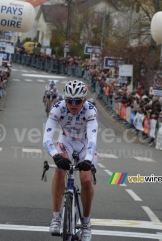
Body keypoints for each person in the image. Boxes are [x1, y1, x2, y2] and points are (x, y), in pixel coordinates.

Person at [43, 80, 98, 241]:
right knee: (59, 170)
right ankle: (56, 217)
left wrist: (88, 159)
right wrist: (55, 155)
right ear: (64, 99)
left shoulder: (90, 111)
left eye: (78, 101)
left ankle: (86, 223)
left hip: (85, 145)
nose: (73, 104)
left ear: (84, 100)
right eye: (70, 100)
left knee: (86, 181)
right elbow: (47, 137)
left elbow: (93, 139)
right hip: (65, 142)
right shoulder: (58, 108)